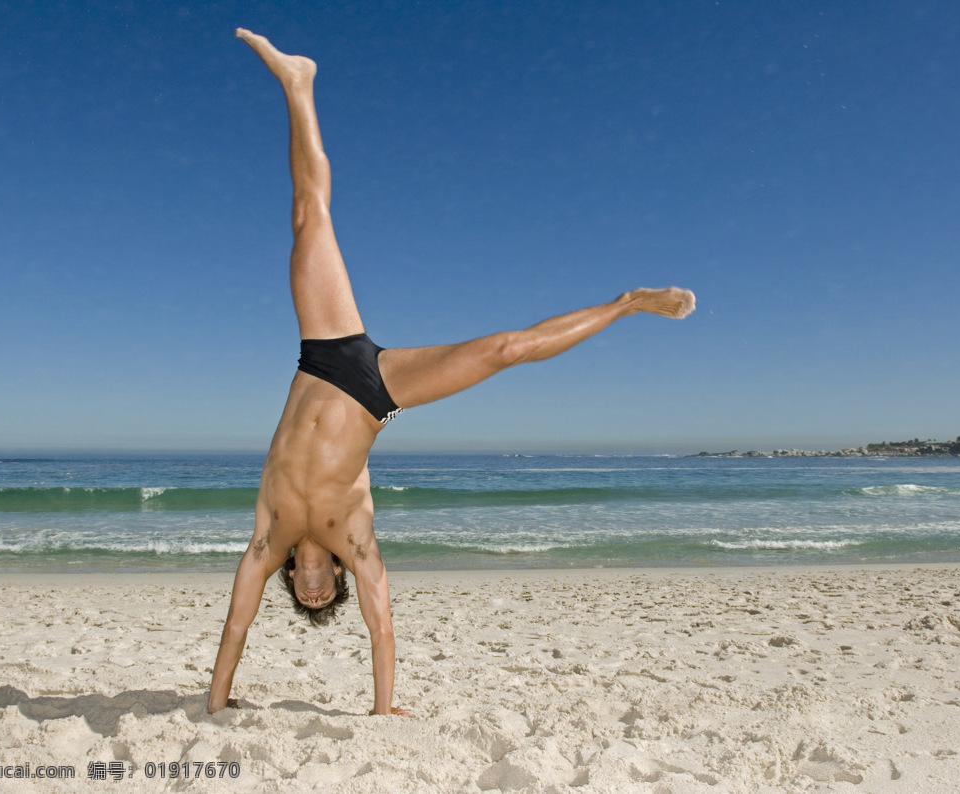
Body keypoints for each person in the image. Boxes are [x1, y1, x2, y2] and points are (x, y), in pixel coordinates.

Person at [208, 29, 695, 717]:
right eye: (324, 600)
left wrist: (216, 700)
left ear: (292, 578)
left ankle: (297, 83)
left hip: (324, 358)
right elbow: (382, 626)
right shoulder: (357, 541)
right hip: (375, 391)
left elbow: (235, 625)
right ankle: (628, 306)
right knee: (506, 350)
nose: (315, 597)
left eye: (306, 597)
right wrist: (384, 709)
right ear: (336, 581)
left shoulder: (267, 539)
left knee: (307, 215)